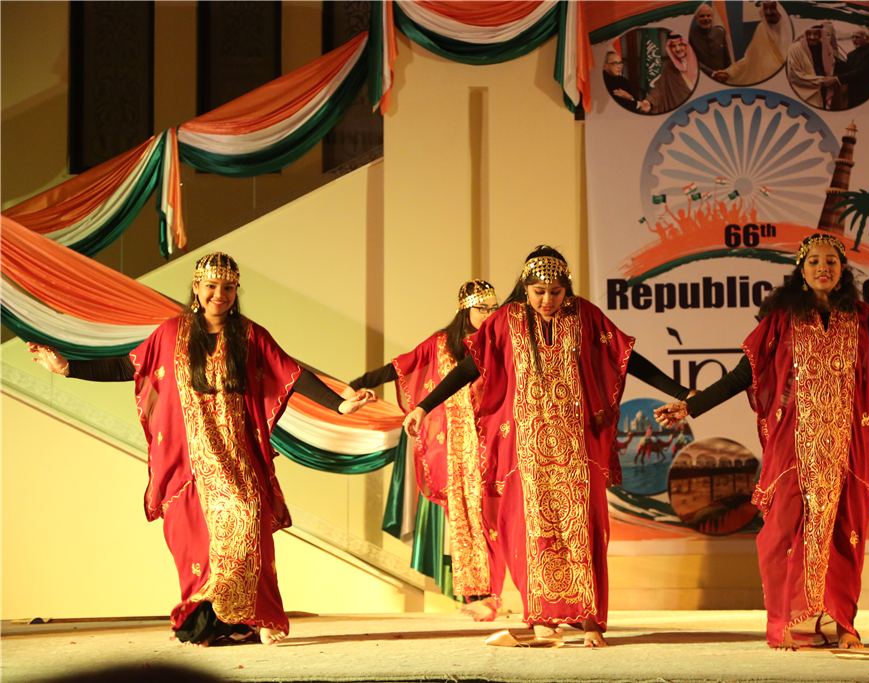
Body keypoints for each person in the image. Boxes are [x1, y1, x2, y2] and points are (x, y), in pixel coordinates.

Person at [654, 234, 869, 651]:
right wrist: (689, 407)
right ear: (801, 271)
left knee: (845, 534)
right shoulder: (780, 321)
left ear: (842, 271)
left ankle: (844, 625)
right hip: (793, 446)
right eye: (814, 261)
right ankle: (784, 622)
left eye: (832, 262)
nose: (823, 267)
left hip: (847, 445)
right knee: (782, 532)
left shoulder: (868, 321)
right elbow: (741, 376)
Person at [28, 253, 375, 648]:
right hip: (186, 465)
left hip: (237, 459)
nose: (219, 295)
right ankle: (209, 624)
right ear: (196, 288)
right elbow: (129, 367)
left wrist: (339, 404)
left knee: (248, 525)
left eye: (228, 287)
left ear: (236, 291)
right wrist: (68, 368)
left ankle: (249, 617)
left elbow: (290, 372)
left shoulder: (250, 335)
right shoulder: (170, 333)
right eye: (211, 286)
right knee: (196, 545)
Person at [403, 246, 692, 648]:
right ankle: (542, 616)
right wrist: (423, 406)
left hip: (577, 446)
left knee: (583, 527)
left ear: (566, 288)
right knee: (532, 528)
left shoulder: (584, 315)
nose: (547, 300)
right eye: (539, 292)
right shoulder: (506, 320)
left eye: (556, 292)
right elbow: (471, 368)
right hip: (526, 449)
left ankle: (588, 620)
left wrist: (680, 392)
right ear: (525, 287)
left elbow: (627, 359)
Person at [343, 280, 504, 621]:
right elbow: (398, 367)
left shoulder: (497, 342)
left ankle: (493, 593)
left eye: (493, 309)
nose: (489, 315)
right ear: (465, 310)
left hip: (491, 443)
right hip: (455, 448)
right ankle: (477, 594)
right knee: (463, 519)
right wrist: (356, 385)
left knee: (490, 516)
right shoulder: (440, 344)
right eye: (482, 309)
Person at [712, 0, 791, 85]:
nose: (768, 12)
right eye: (765, 8)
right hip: (765, 84)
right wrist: (729, 72)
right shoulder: (762, 28)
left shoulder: (792, 31)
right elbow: (749, 59)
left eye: (772, 8)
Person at [640, 32, 695, 115]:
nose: (677, 49)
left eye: (681, 44)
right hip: (680, 114)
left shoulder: (700, 64)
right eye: (674, 46)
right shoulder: (670, 66)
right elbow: (660, 89)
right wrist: (649, 102)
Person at [787, 25, 840, 109]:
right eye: (809, 34)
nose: (812, 37)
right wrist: (821, 80)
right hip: (807, 91)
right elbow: (794, 74)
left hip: (825, 88)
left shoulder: (826, 47)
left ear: (820, 35)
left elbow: (832, 66)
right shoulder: (795, 49)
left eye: (816, 34)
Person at [835, 29, 869, 109]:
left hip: (868, 92)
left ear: (867, 38)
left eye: (857, 37)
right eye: (853, 37)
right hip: (853, 93)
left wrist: (837, 79)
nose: (854, 40)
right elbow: (847, 68)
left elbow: (861, 72)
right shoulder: (851, 54)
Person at [688, 4, 732, 77]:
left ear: (712, 17)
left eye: (708, 15)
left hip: (721, 77)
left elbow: (727, 58)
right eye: (702, 16)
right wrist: (712, 73)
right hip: (701, 77)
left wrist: (728, 72)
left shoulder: (720, 32)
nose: (706, 18)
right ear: (696, 18)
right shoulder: (690, 35)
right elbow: (691, 60)